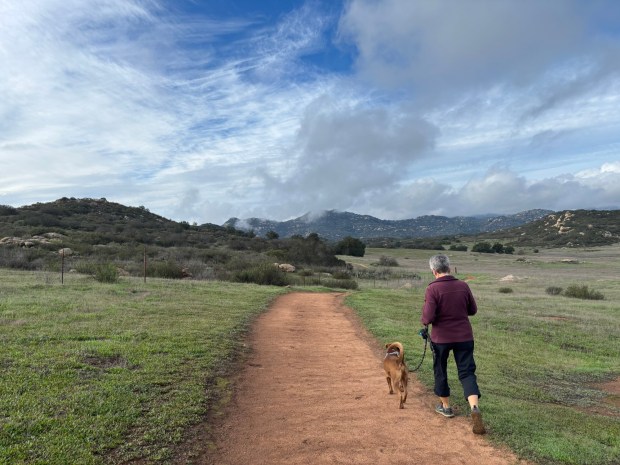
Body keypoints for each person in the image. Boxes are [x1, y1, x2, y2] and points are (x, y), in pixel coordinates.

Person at [421, 254, 485, 434]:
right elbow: (472, 310)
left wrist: (425, 320)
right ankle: (474, 407)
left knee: (440, 369)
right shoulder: (463, 285)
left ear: (434, 271)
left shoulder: (432, 289)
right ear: (449, 267)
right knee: (466, 371)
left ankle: (446, 406)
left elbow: (428, 317)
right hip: (464, 336)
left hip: (441, 338)